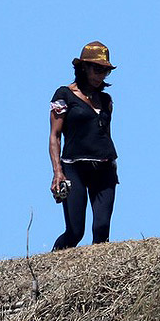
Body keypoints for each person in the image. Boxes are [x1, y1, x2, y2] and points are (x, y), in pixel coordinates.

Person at [48, 41, 119, 251]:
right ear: (83, 67)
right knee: (75, 231)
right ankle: (51, 266)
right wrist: (57, 172)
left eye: (105, 71)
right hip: (74, 167)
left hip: (104, 167)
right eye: (97, 69)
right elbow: (54, 135)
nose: (101, 75)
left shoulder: (105, 100)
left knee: (102, 227)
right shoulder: (64, 95)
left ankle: (98, 276)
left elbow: (105, 135)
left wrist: (113, 164)